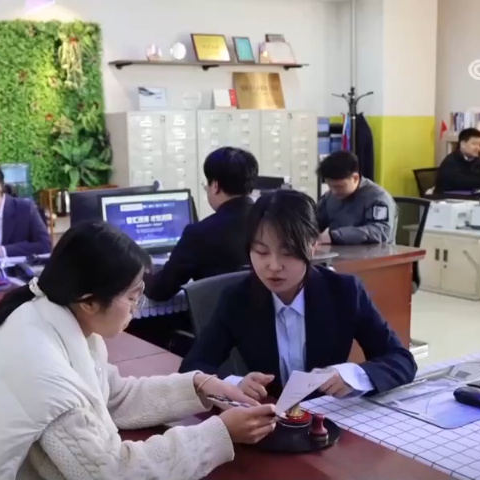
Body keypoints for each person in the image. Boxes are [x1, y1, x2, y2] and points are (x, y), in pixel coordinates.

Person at [0, 222, 279, 480]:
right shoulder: (43, 370)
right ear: (88, 301)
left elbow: (111, 396)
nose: (138, 306)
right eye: (132, 296)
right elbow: (114, 472)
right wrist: (218, 434)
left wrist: (198, 387)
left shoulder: (48, 318)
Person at [179, 190, 417, 401]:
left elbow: (401, 360)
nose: (274, 266)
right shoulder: (237, 299)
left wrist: (351, 375)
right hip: (268, 419)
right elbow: (193, 366)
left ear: (312, 246)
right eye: (261, 252)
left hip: (328, 418)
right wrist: (234, 384)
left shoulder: (344, 292)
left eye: (289, 253)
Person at [144, 147, 258, 301]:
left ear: (215, 186)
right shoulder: (269, 222)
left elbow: (160, 290)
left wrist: (137, 272)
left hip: (220, 315)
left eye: (207, 184)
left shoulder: (199, 233)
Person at [315, 150, 397, 245]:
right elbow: (315, 222)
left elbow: (380, 231)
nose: (333, 191)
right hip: (339, 252)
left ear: (355, 178)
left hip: (374, 253)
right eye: (330, 186)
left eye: (339, 187)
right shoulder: (329, 197)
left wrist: (334, 236)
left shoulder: (378, 198)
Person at [435, 128, 480, 193]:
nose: (478, 148)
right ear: (463, 144)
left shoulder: (475, 160)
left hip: (469, 198)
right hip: (448, 198)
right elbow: (467, 184)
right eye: (474, 144)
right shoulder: (450, 162)